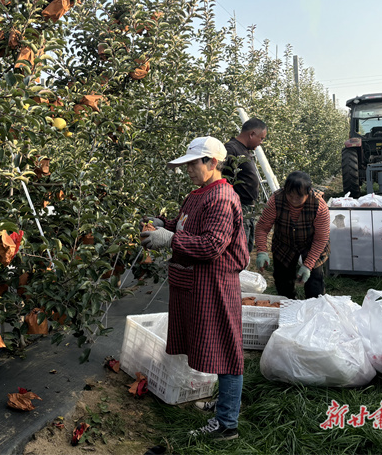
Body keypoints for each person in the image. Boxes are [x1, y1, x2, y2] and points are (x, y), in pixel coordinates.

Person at [140, 136, 248, 441]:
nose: (188, 169)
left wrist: (170, 240)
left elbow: (213, 245)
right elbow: (185, 224)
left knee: (226, 348)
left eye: (193, 163)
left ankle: (227, 423)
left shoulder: (222, 198)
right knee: (214, 344)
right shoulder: (198, 194)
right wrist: (161, 223)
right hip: (197, 281)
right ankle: (226, 401)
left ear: (212, 162)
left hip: (216, 282)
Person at [254, 171, 330, 299]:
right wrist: (262, 251)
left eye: (299, 197)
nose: (294, 200)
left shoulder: (319, 205)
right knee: (283, 281)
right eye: (290, 195)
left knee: (314, 283)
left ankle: (313, 310)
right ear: (285, 190)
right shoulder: (276, 200)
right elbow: (262, 227)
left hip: (311, 244)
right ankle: (287, 306)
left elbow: (320, 239)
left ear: (308, 192)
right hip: (284, 243)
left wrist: (308, 265)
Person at [223, 118, 267, 256]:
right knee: (238, 251)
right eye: (261, 138)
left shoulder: (243, 150)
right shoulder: (231, 149)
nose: (261, 143)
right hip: (238, 208)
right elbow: (223, 180)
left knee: (246, 248)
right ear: (252, 134)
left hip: (246, 209)